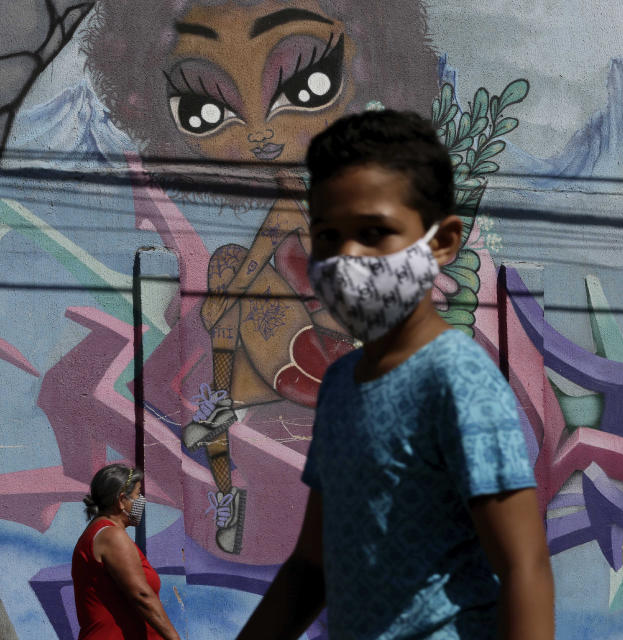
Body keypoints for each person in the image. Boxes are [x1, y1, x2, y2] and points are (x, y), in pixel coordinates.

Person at [82, 0, 439, 553]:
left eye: (309, 82)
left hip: (337, 356)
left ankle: (228, 408)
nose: (261, 132)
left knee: (230, 275)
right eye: (206, 109)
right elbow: (270, 244)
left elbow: (295, 244)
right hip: (292, 350)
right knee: (228, 276)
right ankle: (227, 461)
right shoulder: (301, 192)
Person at [237, 110, 555, 639]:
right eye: (327, 235)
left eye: (374, 232)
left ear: (443, 243)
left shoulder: (457, 378)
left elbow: (525, 566)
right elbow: (311, 567)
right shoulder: (341, 387)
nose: (346, 258)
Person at [72, 464, 180, 640]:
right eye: (137, 494)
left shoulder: (100, 533)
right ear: (121, 500)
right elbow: (141, 594)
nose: (141, 500)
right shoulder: (111, 536)